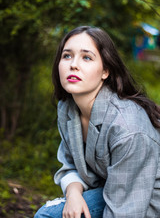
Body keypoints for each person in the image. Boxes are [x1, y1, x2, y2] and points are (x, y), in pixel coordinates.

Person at [34, 26, 160, 218]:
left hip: (145, 201)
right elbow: (69, 165)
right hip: (112, 190)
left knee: (47, 216)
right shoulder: (68, 108)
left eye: (87, 57)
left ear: (105, 71)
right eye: (67, 56)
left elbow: (126, 212)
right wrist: (73, 194)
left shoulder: (128, 128)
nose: (73, 65)